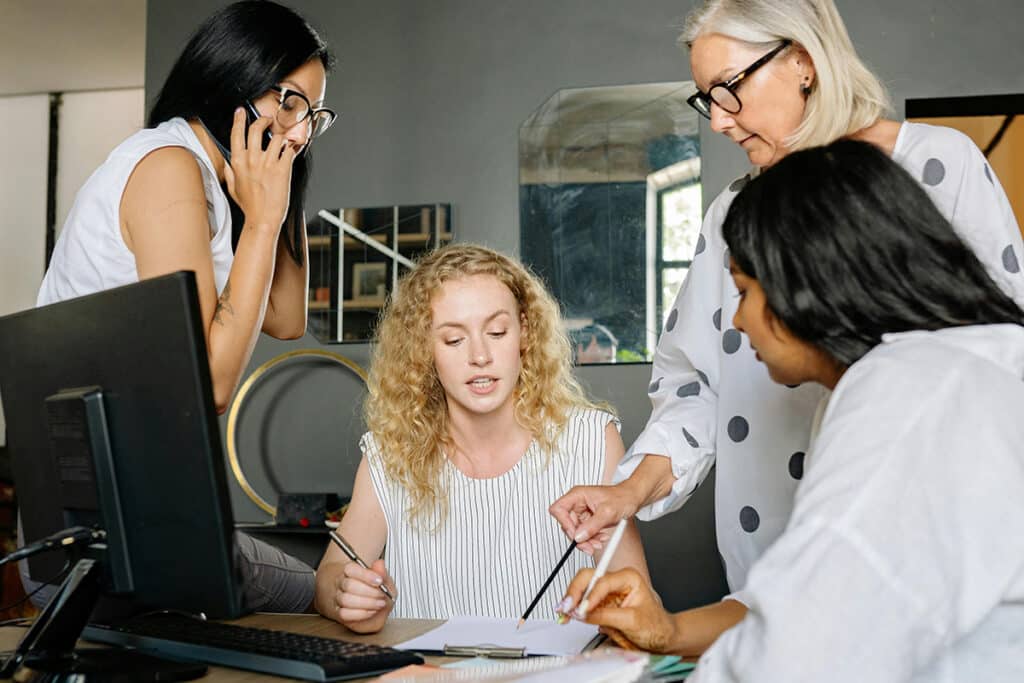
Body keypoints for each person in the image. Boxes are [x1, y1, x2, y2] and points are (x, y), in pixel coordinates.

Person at [549, 0, 1024, 652]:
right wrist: (628, 491)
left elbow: (997, 355)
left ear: (801, 61)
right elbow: (693, 385)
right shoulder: (732, 215)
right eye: (704, 100)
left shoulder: (940, 166)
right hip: (767, 579)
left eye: (729, 90)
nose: (717, 120)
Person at [26, 0, 338, 613]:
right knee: (329, 598)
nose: (300, 130)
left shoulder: (219, 182)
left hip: (143, 520)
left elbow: (286, 317)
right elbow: (209, 387)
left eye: (315, 114)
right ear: (234, 79)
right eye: (289, 100)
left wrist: (282, 186)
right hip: (102, 536)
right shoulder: (169, 169)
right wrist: (266, 214)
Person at [314, 244, 648, 633]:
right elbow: (327, 577)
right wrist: (348, 595)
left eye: (496, 331)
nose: (480, 355)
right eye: (454, 340)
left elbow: (644, 601)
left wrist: (627, 611)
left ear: (524, 331)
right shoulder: (391, 455)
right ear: (424, 349)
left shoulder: (592, 441)